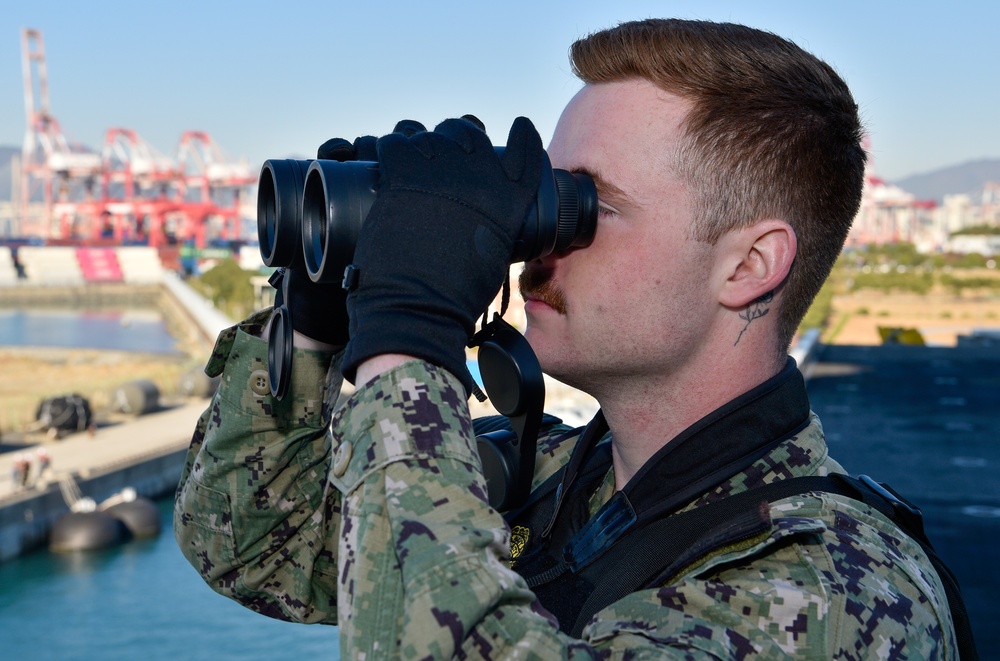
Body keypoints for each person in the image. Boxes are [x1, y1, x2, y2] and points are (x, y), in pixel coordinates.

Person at [175, 18, 962, 658]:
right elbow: (256, 542)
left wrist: (411, 331)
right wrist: (317, 314)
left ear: (749, 265)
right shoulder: (552, 481)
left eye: (590, 204)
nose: (538, 241)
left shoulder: (839, 591)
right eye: (548, 193)